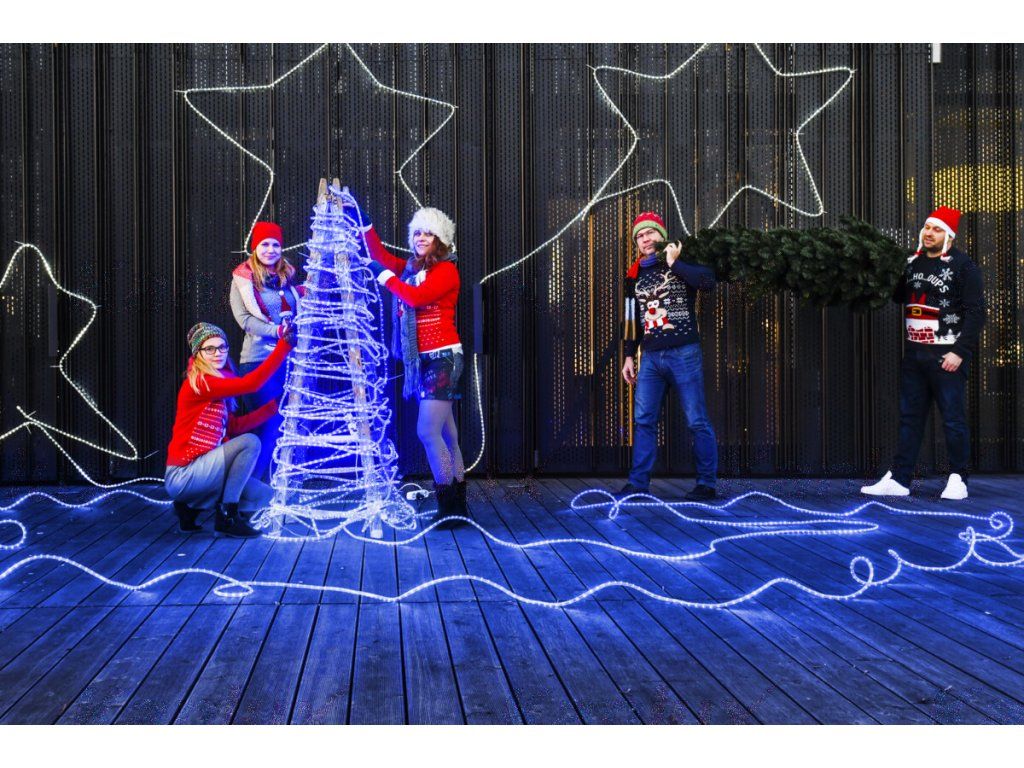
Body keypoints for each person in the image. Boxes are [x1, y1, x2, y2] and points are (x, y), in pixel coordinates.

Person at [861, 206, 985, 500]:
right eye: (927, 227)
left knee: (952, 419)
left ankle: (958, 478)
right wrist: (892, 269)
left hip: (947, 356)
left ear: (949, 236)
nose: (929, 233)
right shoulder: (913, 263)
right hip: (915, 354)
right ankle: (900, 479)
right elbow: (898, 297)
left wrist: (959, 352)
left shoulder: (964, 266)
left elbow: (977, 312)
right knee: (910, 418)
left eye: (937, 229)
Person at [358, 206, 467, 524]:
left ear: (440, 239)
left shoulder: (446, 270)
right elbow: (379, 255)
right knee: (447, 433)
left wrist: (386, 277)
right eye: (417, 232)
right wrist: (365, 223)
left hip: (443, 359)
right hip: (425, 361)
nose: (421, 238)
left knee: (428, 431)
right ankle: (457, 507)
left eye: (428, 233)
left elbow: (415, 298)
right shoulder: (411, 268)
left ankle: (449, 507)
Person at [618, 211, 719, 501]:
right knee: (644, 420)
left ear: (661, 235)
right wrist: (629, 355)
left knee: (696, 419)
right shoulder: (634, 275)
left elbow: (707, 282)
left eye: (650, 232)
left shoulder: (681, 259)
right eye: (639, 236)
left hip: (683, 353)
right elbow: (631, 319)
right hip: (651, 357)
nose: (645, 239)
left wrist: (675, 263)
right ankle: (638, 484)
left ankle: (706, 484)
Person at [165, 321, 294, 537]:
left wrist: (274, 407)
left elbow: (234, 426)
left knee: (263, 496)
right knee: (250, 443)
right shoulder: (201, 382)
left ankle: (189, 508)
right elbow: (251, 385)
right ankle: (227, 517)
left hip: (206, 471)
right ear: (198, 354)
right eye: (209, 349)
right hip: (184, 474)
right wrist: (284, 346)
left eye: (222, 347)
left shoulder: (219, 382)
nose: (218, 353)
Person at [229, 221, 304, 480]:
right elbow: (245, 320)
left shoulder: (287, 279)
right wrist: (277, 331)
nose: (270, 250)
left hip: (289, 362)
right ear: (255, 248)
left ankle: (277, 485)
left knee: (285, 425)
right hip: (259, 362)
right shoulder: (243, 280)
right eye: (264, 244)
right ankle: (253, 486)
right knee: (266, 426)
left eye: (275, 245)